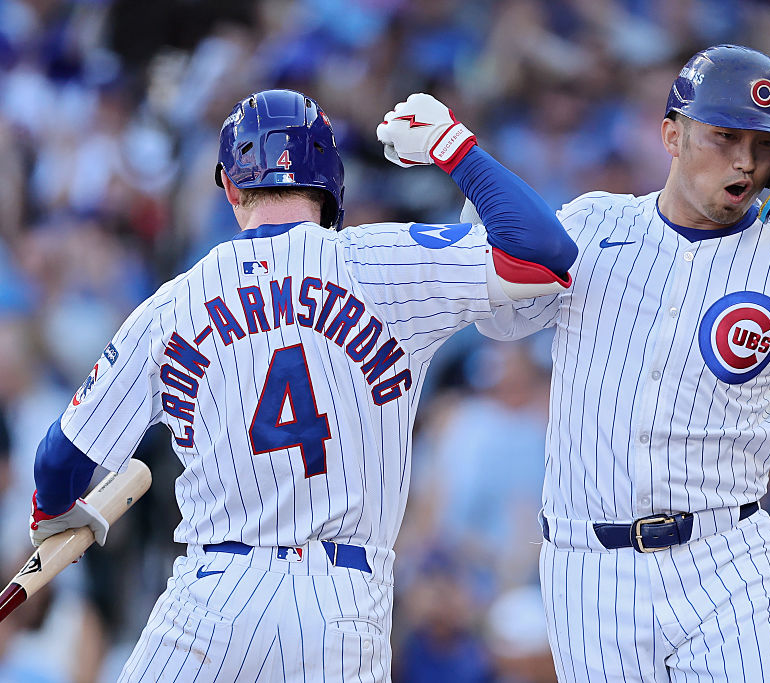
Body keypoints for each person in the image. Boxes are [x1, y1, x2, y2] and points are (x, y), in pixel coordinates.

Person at [26, 88, 577, 682]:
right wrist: (453, 148)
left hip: (211, 601)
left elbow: (60, 460)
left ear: (232, 189)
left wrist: (57, 513)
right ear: (330, 186)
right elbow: (545, 253)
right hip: (339, 603)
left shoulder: (172, 304)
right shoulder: (382, 260)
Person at [475, 44, 770, 681]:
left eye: (765, 145)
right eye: (725, 136)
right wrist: (476, 192)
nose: (746, 161)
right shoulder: (591, 227)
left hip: (727, 556)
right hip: (588, 566)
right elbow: (500, 320)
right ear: (671, 135)